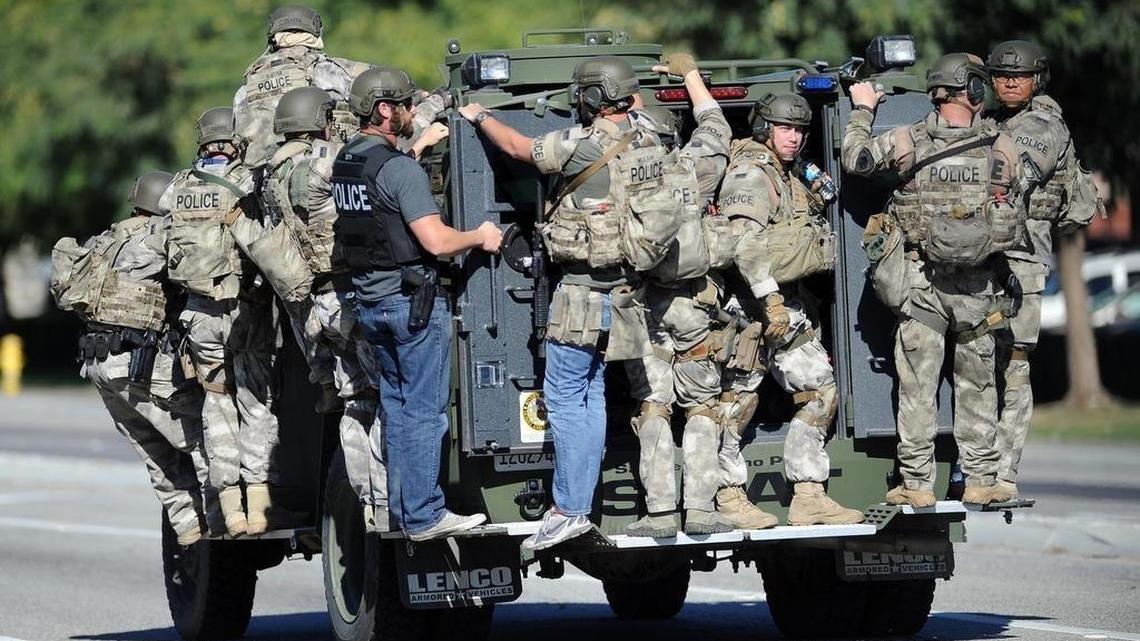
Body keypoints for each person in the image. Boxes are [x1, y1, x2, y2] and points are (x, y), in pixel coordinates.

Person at [459, 55, 672, 549]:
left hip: (582, 292)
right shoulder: (648, 136)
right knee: (590, 395)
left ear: (595, 98)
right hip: (626, 292)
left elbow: (519, 148)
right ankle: (579, 501)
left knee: (564, 399)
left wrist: (481, 115)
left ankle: (571, 507)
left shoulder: (582, 145)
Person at [841, 53, 1027, 507]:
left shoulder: (906, 142)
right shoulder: (1002, 148)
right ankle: (981, 479)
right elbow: (1013, 209)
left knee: (917, 390)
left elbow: (854, 159)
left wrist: (863, 108)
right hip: (980, 291)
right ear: (975, 92)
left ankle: (917, 485)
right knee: (978, 387)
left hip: (922, 287)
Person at [332, 67, 500, 541]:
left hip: (371, 303)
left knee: (399, 408)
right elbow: (436, 240)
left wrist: (418, 148)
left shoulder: (349, 160)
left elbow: (381, 200)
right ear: (386, 109)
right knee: (425, 412)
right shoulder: (400, 170)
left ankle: (405, 512)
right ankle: (425, 514)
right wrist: (481, 236)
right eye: (405, 104)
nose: (410, 112)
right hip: (411, 305)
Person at [715, 93, 864, 526]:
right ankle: (728, 498)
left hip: (783, 307)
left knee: (821, 390)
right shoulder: (748, 174)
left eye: (800, 130)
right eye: (785, 128)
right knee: (735, 404)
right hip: (749, 309)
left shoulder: (784, 174)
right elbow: (745, 245)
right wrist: (771, 301)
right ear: (764, 128)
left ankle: (808, 492)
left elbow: (788, 230)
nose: (794, 138)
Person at [51, 171, 212, 545]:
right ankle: (221, 522)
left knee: (154, 450)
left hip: (98, 364)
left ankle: (188, 526)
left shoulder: (106, 239)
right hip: (134, 358)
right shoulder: (157, 237)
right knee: (204, 436)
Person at [621, 53, 736, 538]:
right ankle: (703, 509)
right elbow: (716, 126)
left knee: (653, 408)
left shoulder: (623, 171)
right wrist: (691, 74)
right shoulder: (695, 167)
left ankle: (662, 513)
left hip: (642, 308)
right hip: (693, 307)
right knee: (703, 406)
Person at [162, 107, 281, 536]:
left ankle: (230, 510)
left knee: (216, 404)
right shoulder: (244, 181)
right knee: (254, 402)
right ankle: (259, 506)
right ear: (235, 141)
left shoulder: (178, 187)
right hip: (242, 310)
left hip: (198, 314)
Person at [985, 40, 1091, 498]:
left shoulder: (1043, 124)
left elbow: (1014, 173)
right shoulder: (989, 121)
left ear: (1037, 79)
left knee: (1014, 362)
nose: (1011, 81)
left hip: (1022, 260)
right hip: (984, 257)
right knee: (976, 362)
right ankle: (976, 463)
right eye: (1002, 75)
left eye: (1021, 74)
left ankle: (1004, 472)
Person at [233, 4, 371, 167]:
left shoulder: (246, 87)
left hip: (262, 183)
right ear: (315, 31)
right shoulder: (328, 71)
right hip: (323, 176)